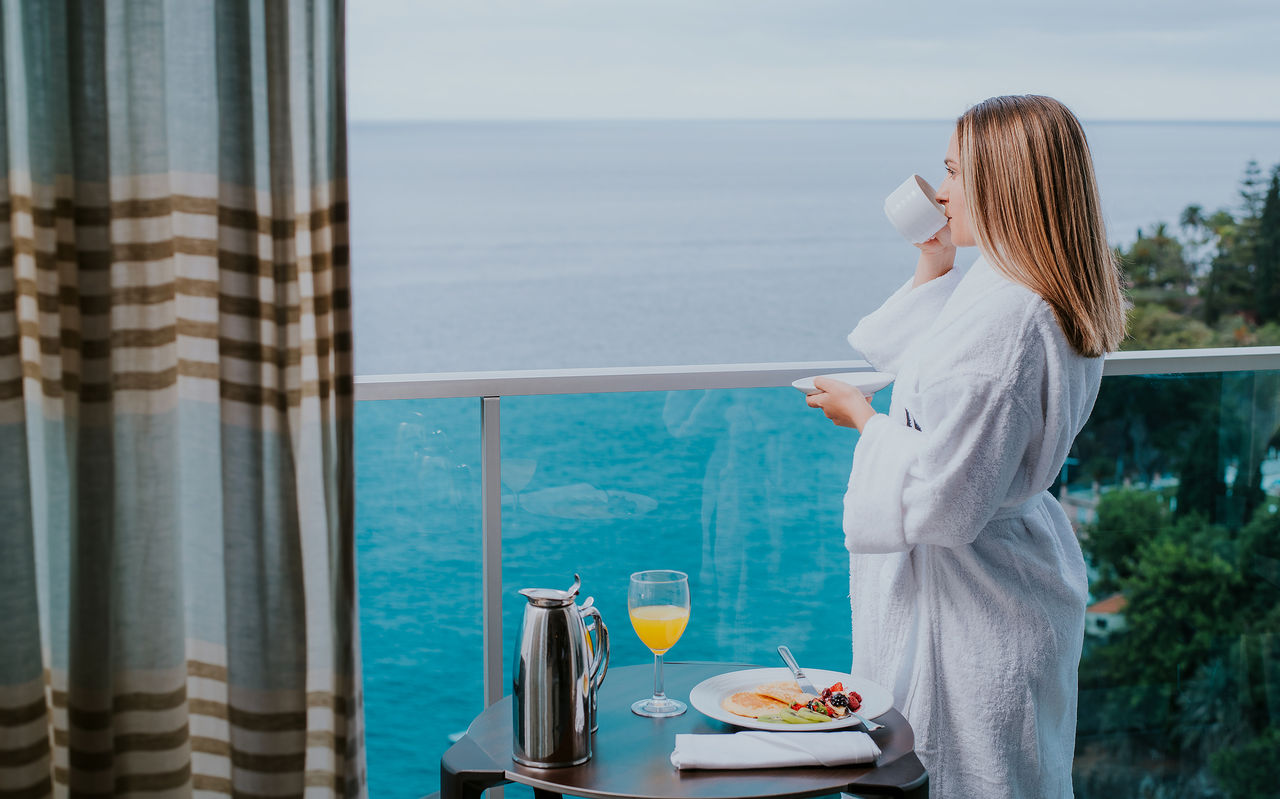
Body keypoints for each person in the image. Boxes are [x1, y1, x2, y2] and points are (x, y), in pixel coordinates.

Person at [805, 95, 1126, 799]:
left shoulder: (1009, 320)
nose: (940, 189)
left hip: (978, 608)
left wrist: (864, 419)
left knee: (970, 780)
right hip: (1014, 579)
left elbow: (947, 503)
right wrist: (933, 266)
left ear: (1002, 182)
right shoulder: (1022, 284)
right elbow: (945, 371)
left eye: (953, 171)